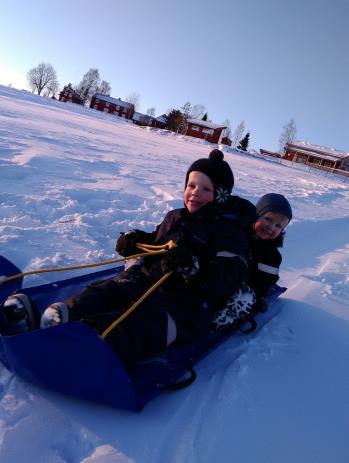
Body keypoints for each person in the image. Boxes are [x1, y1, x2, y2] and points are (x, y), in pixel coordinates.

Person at [2, 150, 256, 369]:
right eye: (191, 185)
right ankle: (60, 315)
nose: (194, 193)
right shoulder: (175, 216)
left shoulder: (229, 233)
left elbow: (229, 277)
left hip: (186, 304)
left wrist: (194, 269)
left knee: (140, 324)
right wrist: (134, 240)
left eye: (206, 189)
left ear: (221, 195)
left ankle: (87, 341)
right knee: (110, 290)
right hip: (149, 280)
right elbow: (157, 242)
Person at [212, 192, 292, 331]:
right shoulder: (238, 233)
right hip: (220, 275)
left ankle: (223, 318)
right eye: (268, 219)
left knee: (245, 297)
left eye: (279, 226)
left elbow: (266, 279)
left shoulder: (272, 255)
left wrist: (259, 297)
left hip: (243, 287)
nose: (271, 227)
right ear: (255, 216)